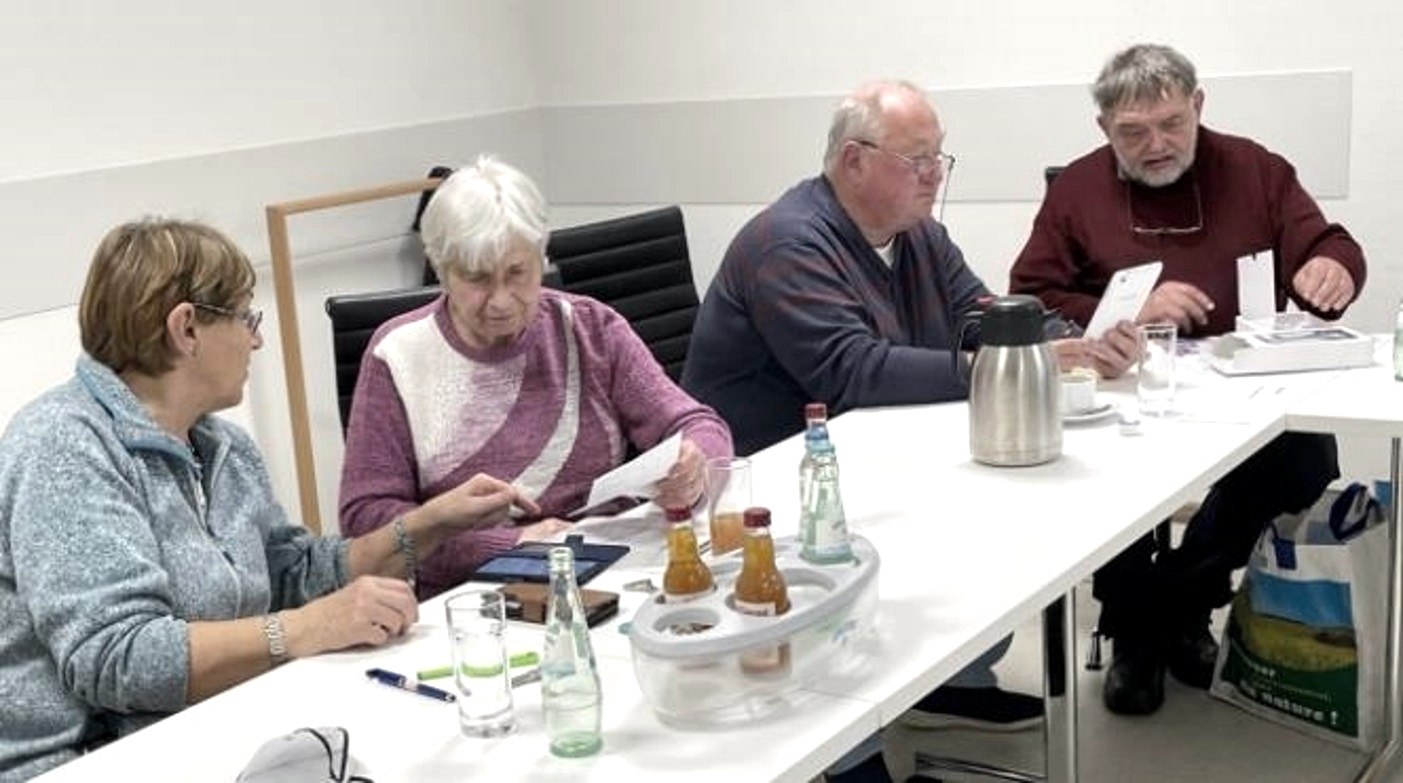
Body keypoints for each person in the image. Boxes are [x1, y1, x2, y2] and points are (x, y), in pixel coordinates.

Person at [683, 80, 1139, 783]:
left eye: (939, 158)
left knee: (1001, 525)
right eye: (916, 159)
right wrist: (1008, 366)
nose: (935, 175)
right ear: (853, 160)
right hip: (774, 482)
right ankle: (848, 749)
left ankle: (942, 685)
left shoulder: (918, 235)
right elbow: (852, 371)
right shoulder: (787, 243)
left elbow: (979, 311)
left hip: (876, 453)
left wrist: (1068, 340)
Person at [0, 219, 537, 781]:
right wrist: (306, 628)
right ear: (187, 328)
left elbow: (293, 574)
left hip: (211, 731)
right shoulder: (63, 447)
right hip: (85, 763)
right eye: (245, 317)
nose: (256, 339)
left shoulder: (223, 446)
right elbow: (118, 658)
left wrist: (429, 525)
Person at [1009, 43, 1365, 716]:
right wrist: (1130, 310)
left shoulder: (1254, 169)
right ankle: (1141, 631)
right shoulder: (1076, 189)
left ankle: (1168, 607)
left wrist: (1334, 267)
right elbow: (1031, 294)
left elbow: (1328, 243)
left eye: (1171, 123)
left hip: (1239, 385)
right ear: (1103, 127)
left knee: (1306, 459)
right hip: (1121, 385)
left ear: (1198, 105)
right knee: (1093, 474)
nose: (1156, 145)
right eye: (1132, 132)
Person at [339, 156, 733, 600]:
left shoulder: (589, 328)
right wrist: (514, 544)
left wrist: (694, 463)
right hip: (471, 595)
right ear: (441, 269)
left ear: (541, 256)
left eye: (517, 273)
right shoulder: (398, 356)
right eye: (477, 278)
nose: (501, 300)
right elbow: (365, 521)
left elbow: (699, 424)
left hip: (607, 572)